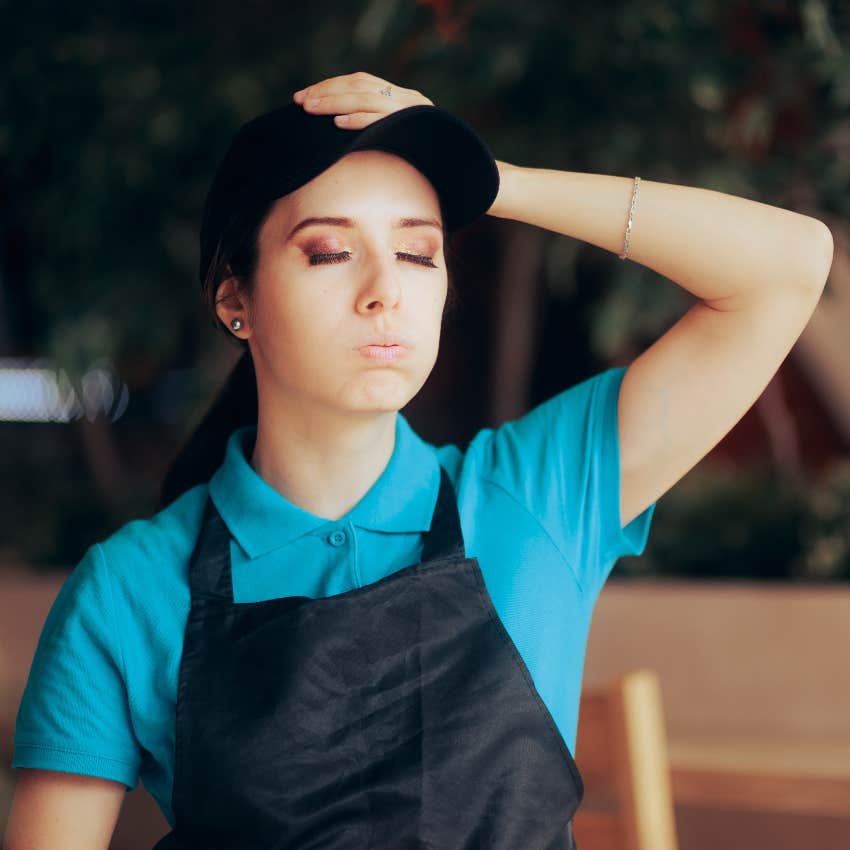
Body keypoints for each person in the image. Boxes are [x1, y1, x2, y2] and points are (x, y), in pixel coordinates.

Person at [4, 71, 832, 850]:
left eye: (418, 251)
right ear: (235, 301)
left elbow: (786, 268)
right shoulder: (127, 589)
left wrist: (491, 178)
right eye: (329, 252)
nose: (383, 292)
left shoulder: (534, 493)